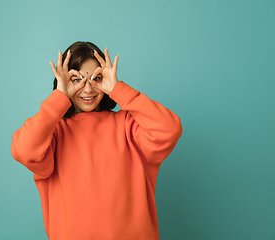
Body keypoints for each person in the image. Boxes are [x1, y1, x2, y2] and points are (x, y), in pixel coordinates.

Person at [11, 41, 182, 240]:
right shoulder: (53, 134)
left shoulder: (129, 125)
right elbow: (23, 149)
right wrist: (59, 96)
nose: (88, 88)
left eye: (96, 78)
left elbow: (169, 129)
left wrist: (118, 89)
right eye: (77, 80)